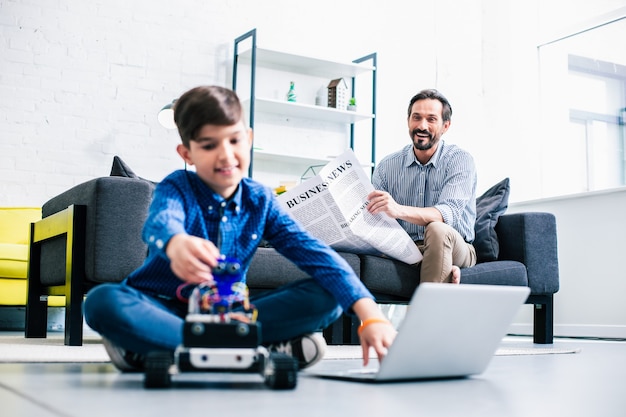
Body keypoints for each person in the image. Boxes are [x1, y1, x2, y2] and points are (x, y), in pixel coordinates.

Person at [84, 85, 395, 372]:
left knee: (331, 293)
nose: (226, 155)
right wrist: (176, 243)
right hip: (160, 307)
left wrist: (373, 316)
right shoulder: (176, 186)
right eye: (209, 145)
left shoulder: (261, 200)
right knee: (103, 301)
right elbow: (160, 221)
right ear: (187, 154)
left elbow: (316, 255)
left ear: (248, 138)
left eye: (234, 141)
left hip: (233, 316)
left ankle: (159, 349)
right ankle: (252, 348)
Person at [367, 89, 477, 284]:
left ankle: (431, 311)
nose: (422, 126)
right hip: (406, 249)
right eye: (416, 117)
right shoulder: (386, 166)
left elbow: (447, 214)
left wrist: (398, 210)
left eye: (431, 119)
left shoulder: (459, 160)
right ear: (408, 120)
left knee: (437, 229)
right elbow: (377, 220)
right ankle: (443, 267)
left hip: (456, 246)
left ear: (446, 126)